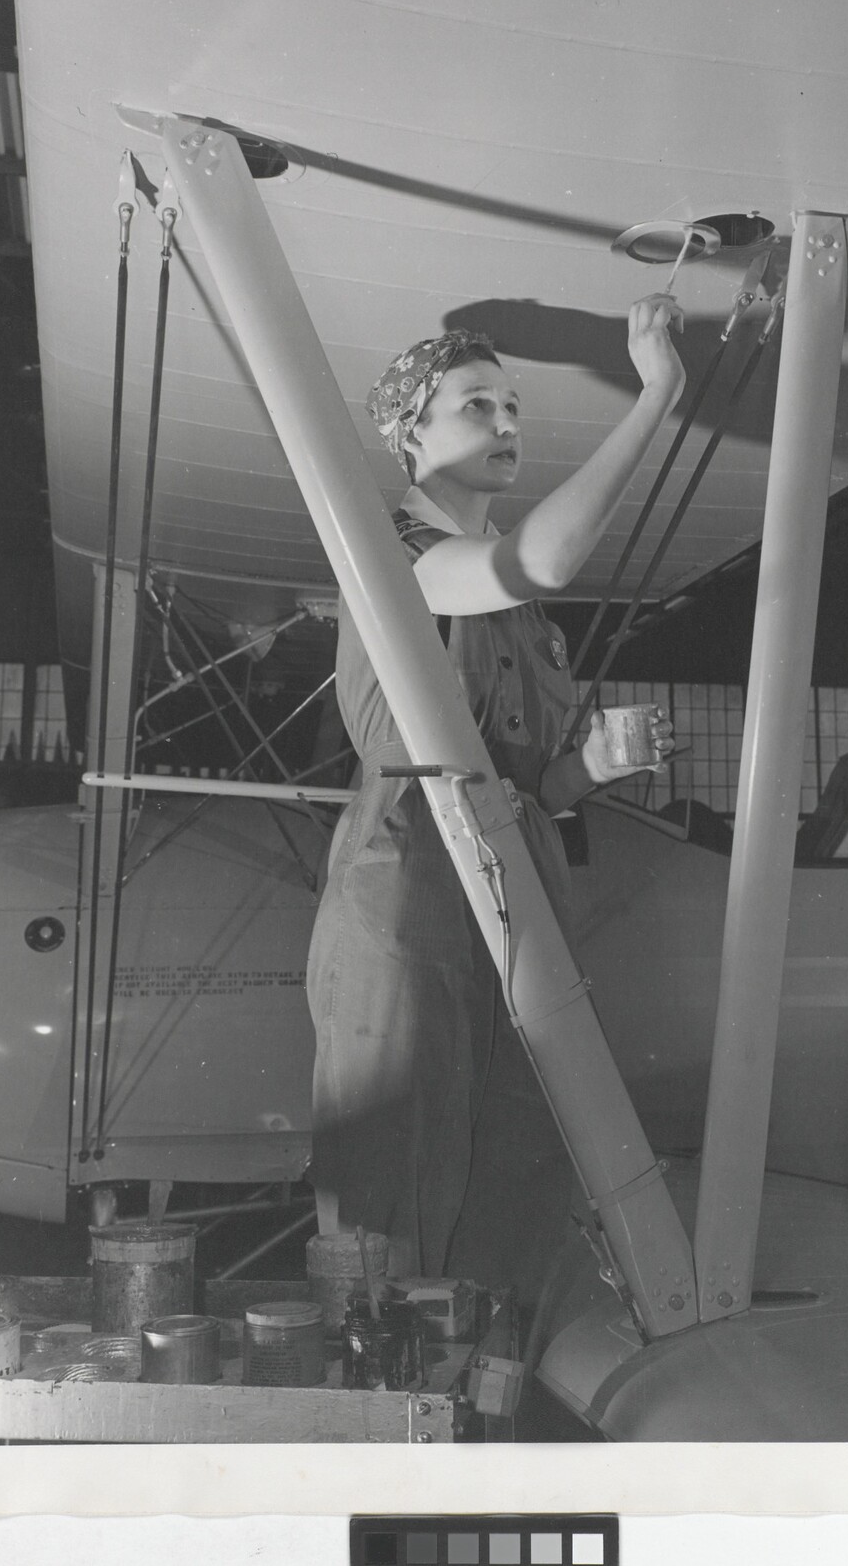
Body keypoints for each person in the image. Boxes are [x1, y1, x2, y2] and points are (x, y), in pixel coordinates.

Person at [304, 293, 685, 1305]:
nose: (507, 422)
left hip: (516, 895)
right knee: (397, 1188)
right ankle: (382, 1422)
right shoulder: (392, 554)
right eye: (477, 405)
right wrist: (656, 396)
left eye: (513, 406)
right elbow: (549, 553)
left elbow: (532, 785)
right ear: (409, 437)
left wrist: (587, 771)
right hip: (413, 887)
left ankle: (482, 1412)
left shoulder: (517, 617)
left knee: (520, 1168)